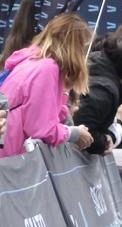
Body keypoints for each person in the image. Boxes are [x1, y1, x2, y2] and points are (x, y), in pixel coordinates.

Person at [0, 13, 98, 157]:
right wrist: (74, 133)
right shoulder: (47, 69)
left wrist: (63, 93)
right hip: (10, 154)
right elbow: (40, 128)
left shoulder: (33, 60)